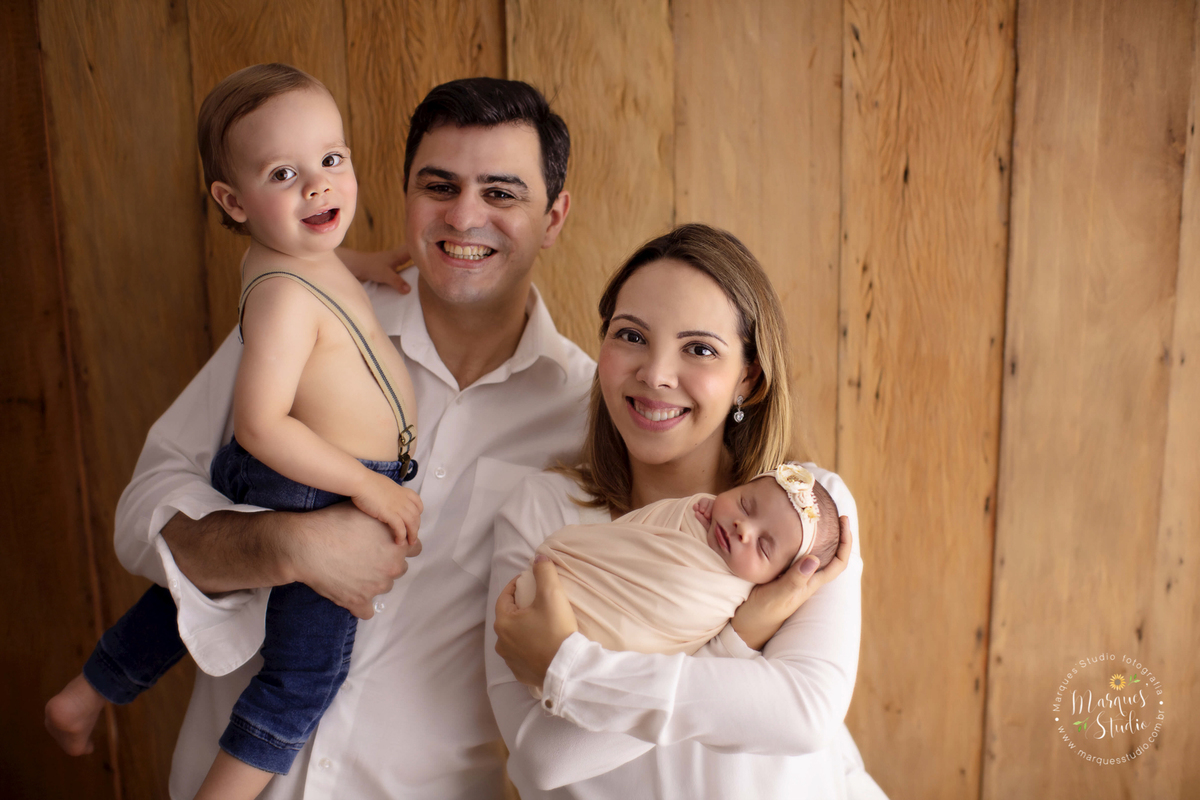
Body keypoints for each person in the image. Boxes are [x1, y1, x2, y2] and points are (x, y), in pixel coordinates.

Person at [104, 77, 594, 799]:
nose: (464, 215)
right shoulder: (302, 308)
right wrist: (283, 545)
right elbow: (140, 519)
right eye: (439, 185)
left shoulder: (586, 417)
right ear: (404, 196)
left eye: (500, 193)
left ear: (552, 218)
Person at [46, 64, 427, 799]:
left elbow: (317, 264)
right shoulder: (282, 296)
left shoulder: (296, 255)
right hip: (315, 487)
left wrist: (365, 263)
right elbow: (258, 425)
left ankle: (86, 691)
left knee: (199, 595)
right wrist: (365, 488)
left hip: (313, 481)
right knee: (303, 673)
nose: (318, 185)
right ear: (232, 200)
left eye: (332, 159)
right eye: (284, 172)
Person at [489, 224, 888, 798]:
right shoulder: (541, 510)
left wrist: (568, 671)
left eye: (699, 349)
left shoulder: (808, 510)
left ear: (746, 379)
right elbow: (542, 761)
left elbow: (803, 713)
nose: (655, 374)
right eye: (630, 336)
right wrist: (739, 637)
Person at [512, 463, 841, 658]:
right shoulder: (694, 510)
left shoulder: (730, 595)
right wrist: (688, 516)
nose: (744, 529)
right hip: (561, 584)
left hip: (588, 641)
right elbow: (636, 533)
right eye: (744, 504)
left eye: (764, 547)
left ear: (777, 579)